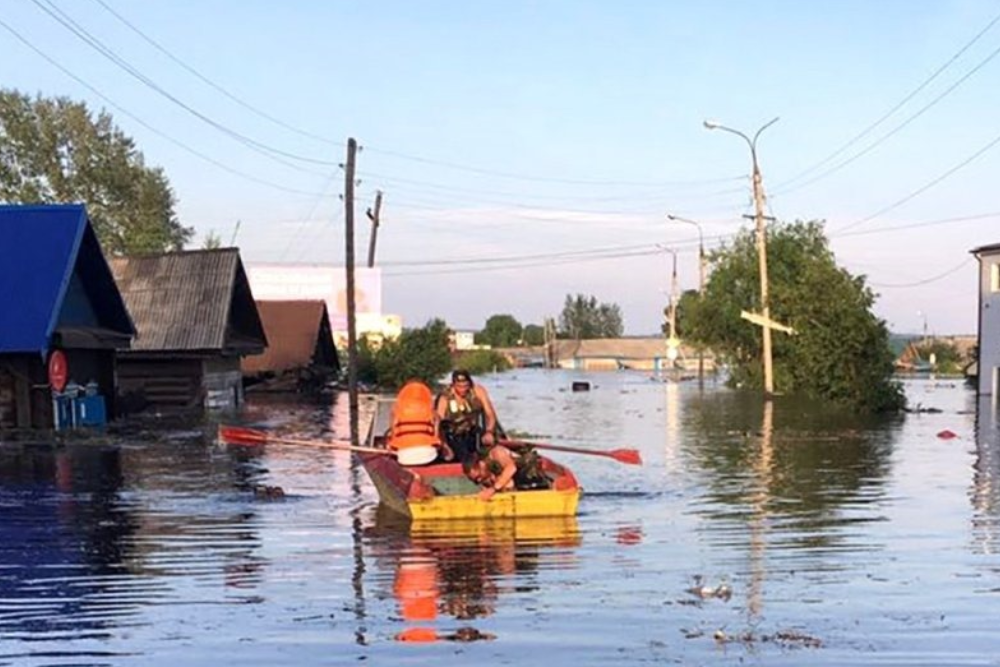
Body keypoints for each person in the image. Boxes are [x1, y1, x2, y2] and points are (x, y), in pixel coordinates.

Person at [435, 369, 498, 462]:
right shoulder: (445, 396)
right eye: (459, 386)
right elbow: (438, 422)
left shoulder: (477, 391)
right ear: (453, 384)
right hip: (453, 435)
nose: (463, 389)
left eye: (465, 386)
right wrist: (443, 444)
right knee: (463, 454)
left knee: (491, 448)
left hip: (472, 431)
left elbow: (490, 414)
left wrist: (489, 431)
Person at [388, 380, 452, 465]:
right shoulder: (431, 411)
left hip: (404, 457)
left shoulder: (396, 411)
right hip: (428, 455)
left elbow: (393, 433)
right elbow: (436, 433)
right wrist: (443, 444)